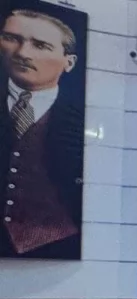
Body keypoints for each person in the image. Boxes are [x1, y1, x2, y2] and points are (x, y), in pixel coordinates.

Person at [0, 8, 83, 259]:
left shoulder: (80, 119)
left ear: (69, 62)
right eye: (11, 38)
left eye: (40, 45)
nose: (22, 53)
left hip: (55, 244)